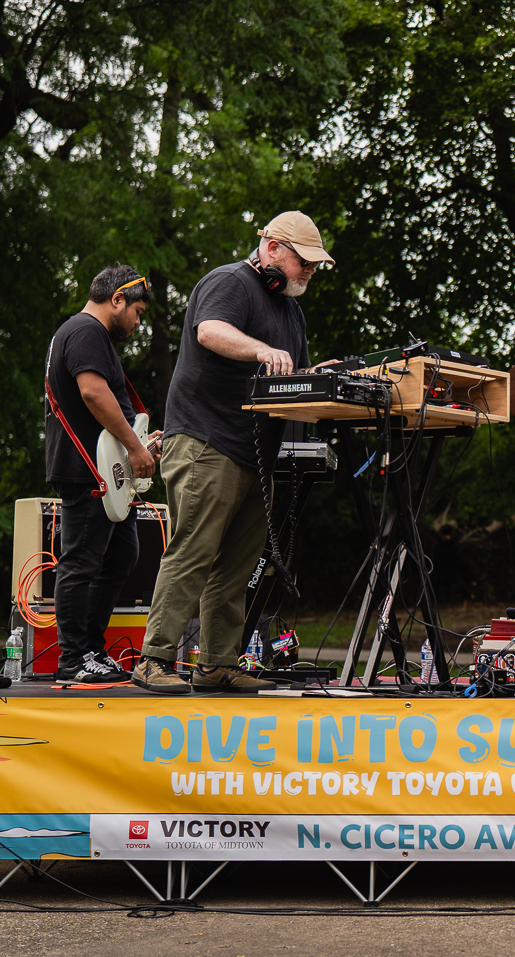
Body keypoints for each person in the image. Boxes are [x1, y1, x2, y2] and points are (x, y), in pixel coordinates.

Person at [133, 212, 335, 694]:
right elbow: (211, 332)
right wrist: (262, 350)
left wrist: (333, 381)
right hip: (206, 442)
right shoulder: (230, 281)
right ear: (271, 248)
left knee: (238, 564)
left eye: (313, 265)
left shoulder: (291, 312)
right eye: (302, 261)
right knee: (194, 551)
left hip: (254, 456)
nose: (308, 271)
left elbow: (297, 380)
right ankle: (153, 658)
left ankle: (217, 663)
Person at [44, 265, 160, 684]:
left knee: (121, 555)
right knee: (81, 563)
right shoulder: (86, 332)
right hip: (88, 472)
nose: (138, 320)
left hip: (107, 474)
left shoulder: (82, 335)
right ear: (117, 300)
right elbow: (92, 391)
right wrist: (134, 447)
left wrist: (141, 441)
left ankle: (90, 649)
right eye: (138, 311)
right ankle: (73, 658)